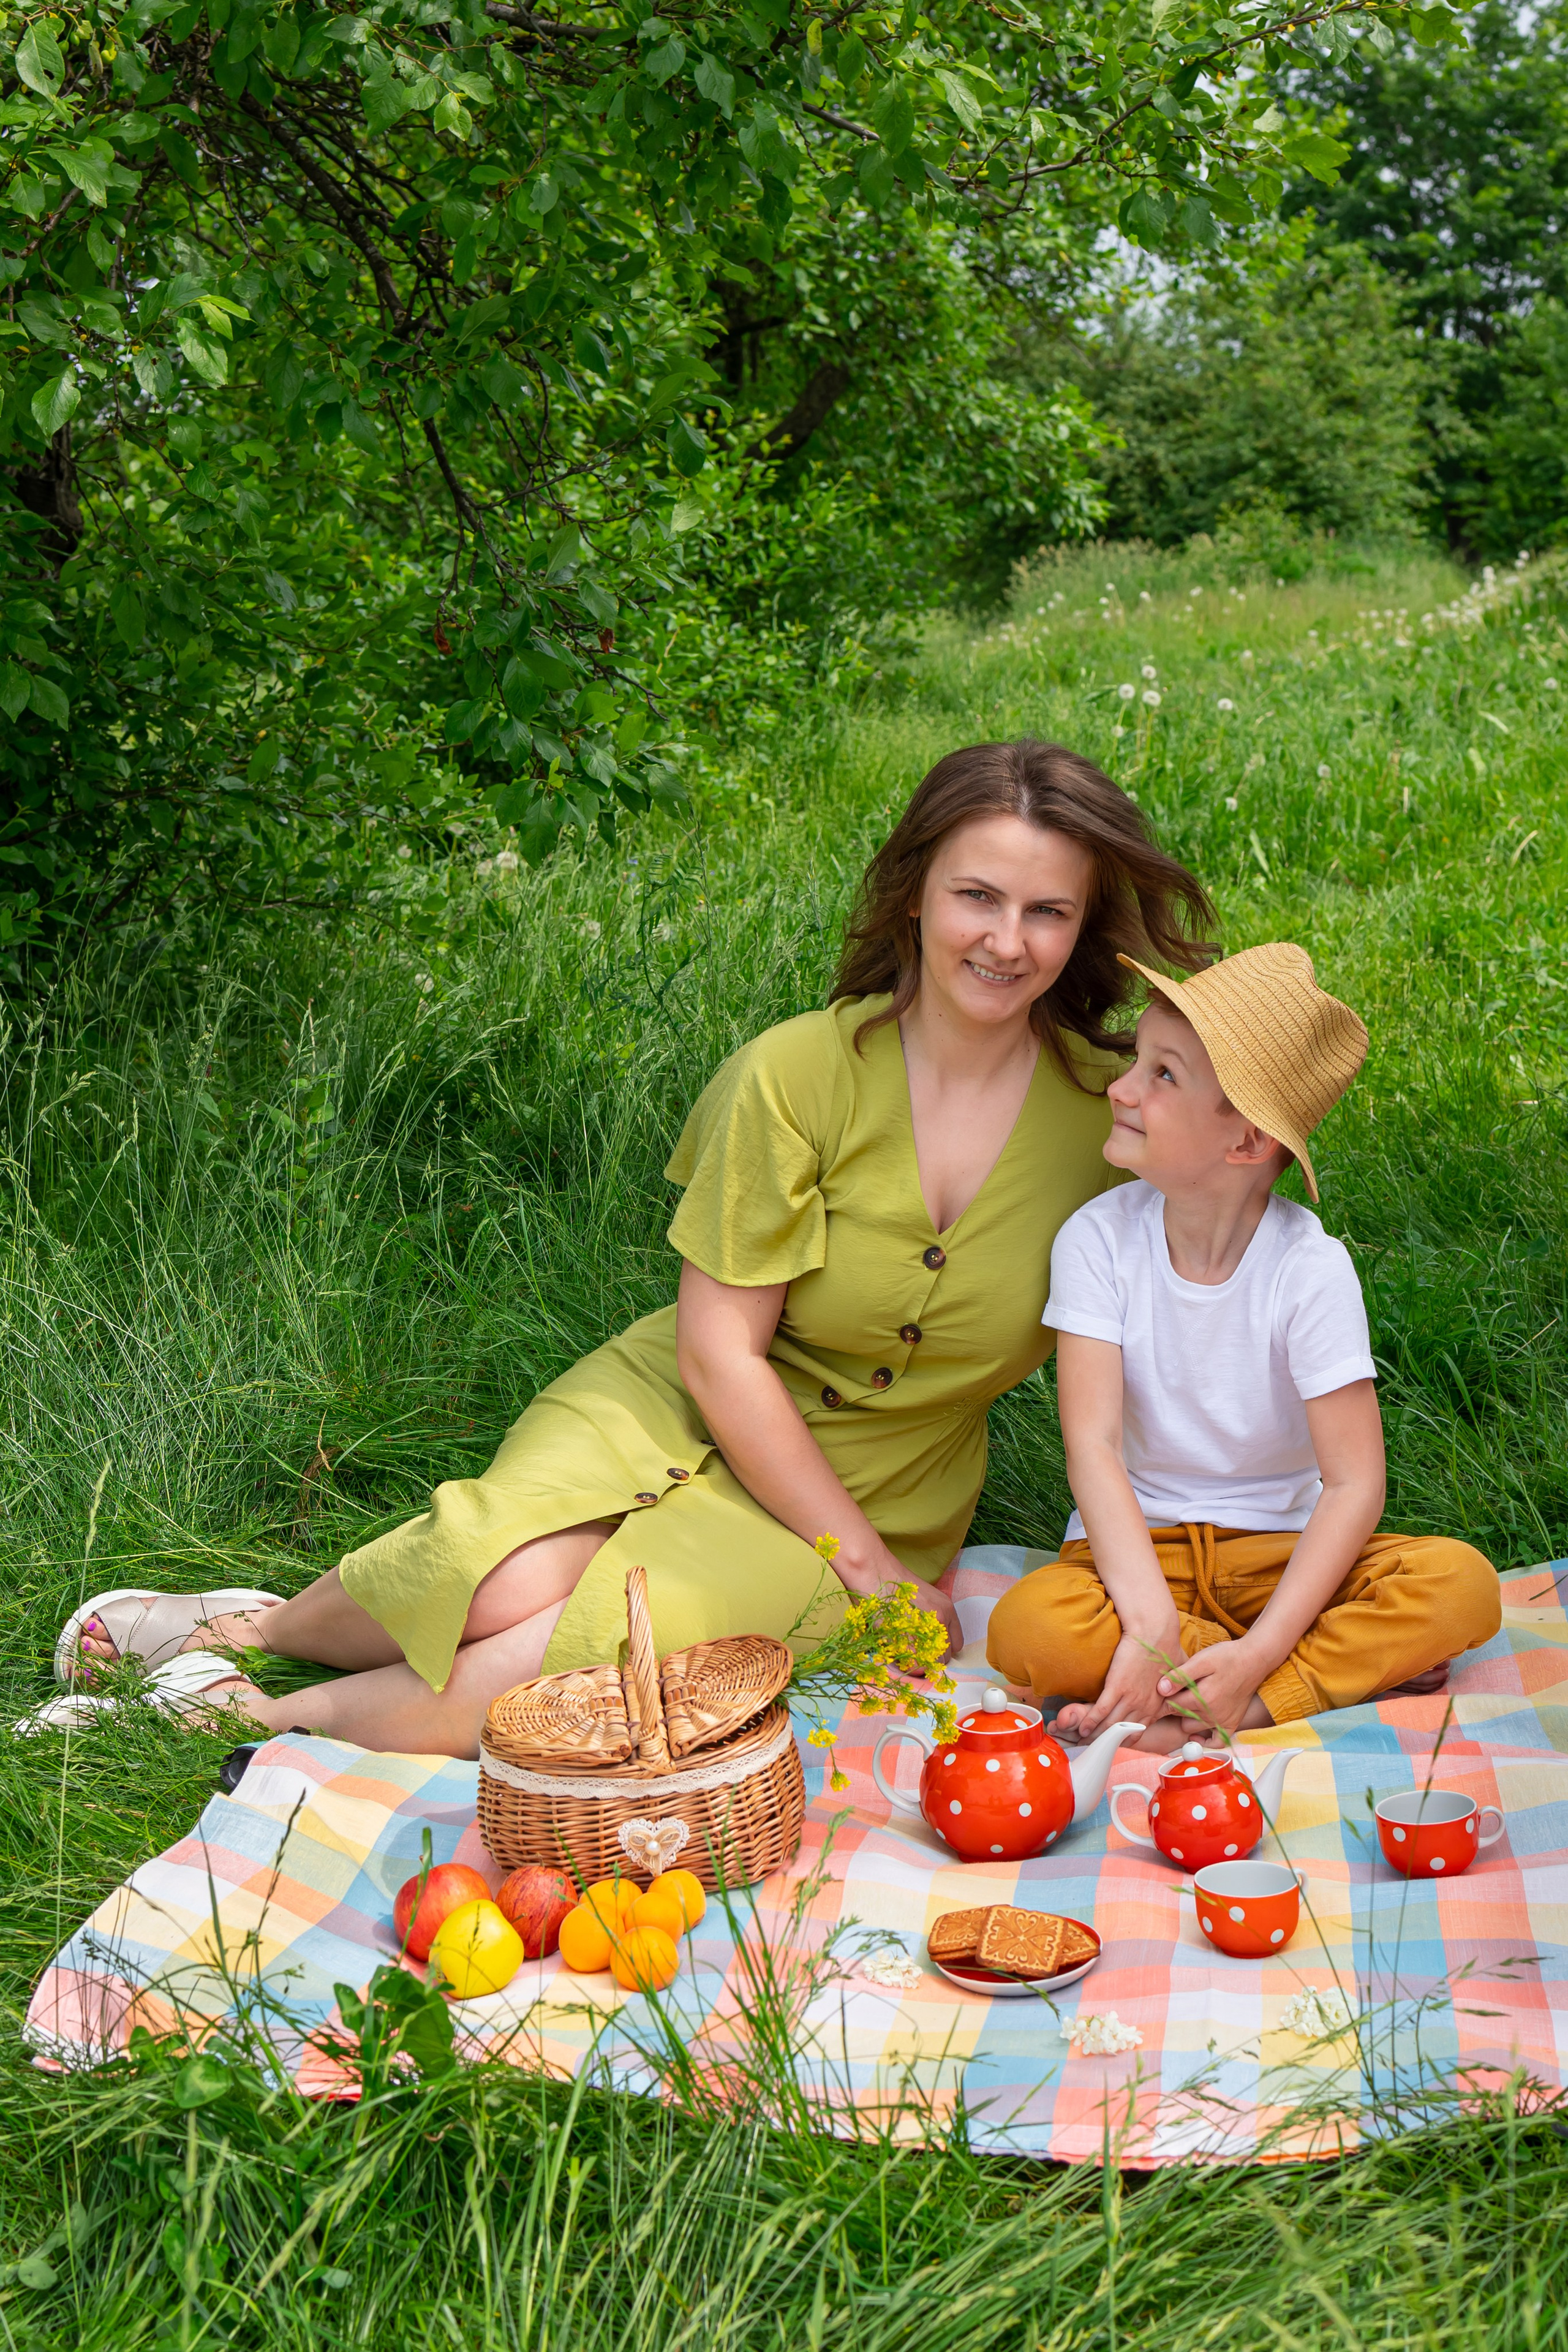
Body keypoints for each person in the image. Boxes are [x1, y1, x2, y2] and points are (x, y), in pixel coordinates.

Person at [55, 739, 1214, 1758]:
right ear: (914, 894)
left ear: (1084, 926)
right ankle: (245, 1630)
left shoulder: (1105, 1125)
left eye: (1048, 912)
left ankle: (228, 1713)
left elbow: (1242, 1162)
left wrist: (1168, 1605)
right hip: (685, 1396)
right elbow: (720, 1356)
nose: (1008, 942)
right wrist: (870, 1578)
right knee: (502, 1567)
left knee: (570, 1665)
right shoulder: (793, 1075)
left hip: (883, 1482)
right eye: (978, 897)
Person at [986, 942, 1502, 1751]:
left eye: (1164, 1076)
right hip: (1134, 1558)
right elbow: (1093, 1445)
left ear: (1248, 1143)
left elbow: (1354, 1482)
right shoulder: (1096, 1241)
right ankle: (1248, 1678)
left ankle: (1240, 1703)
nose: (1122, 1087)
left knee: (1462, 1588)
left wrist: (1263, 1652)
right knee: (1029, 1629)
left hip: (1281, 1563)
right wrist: (1151, 1618)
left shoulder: (1308, 1270)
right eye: (1139, 1060)